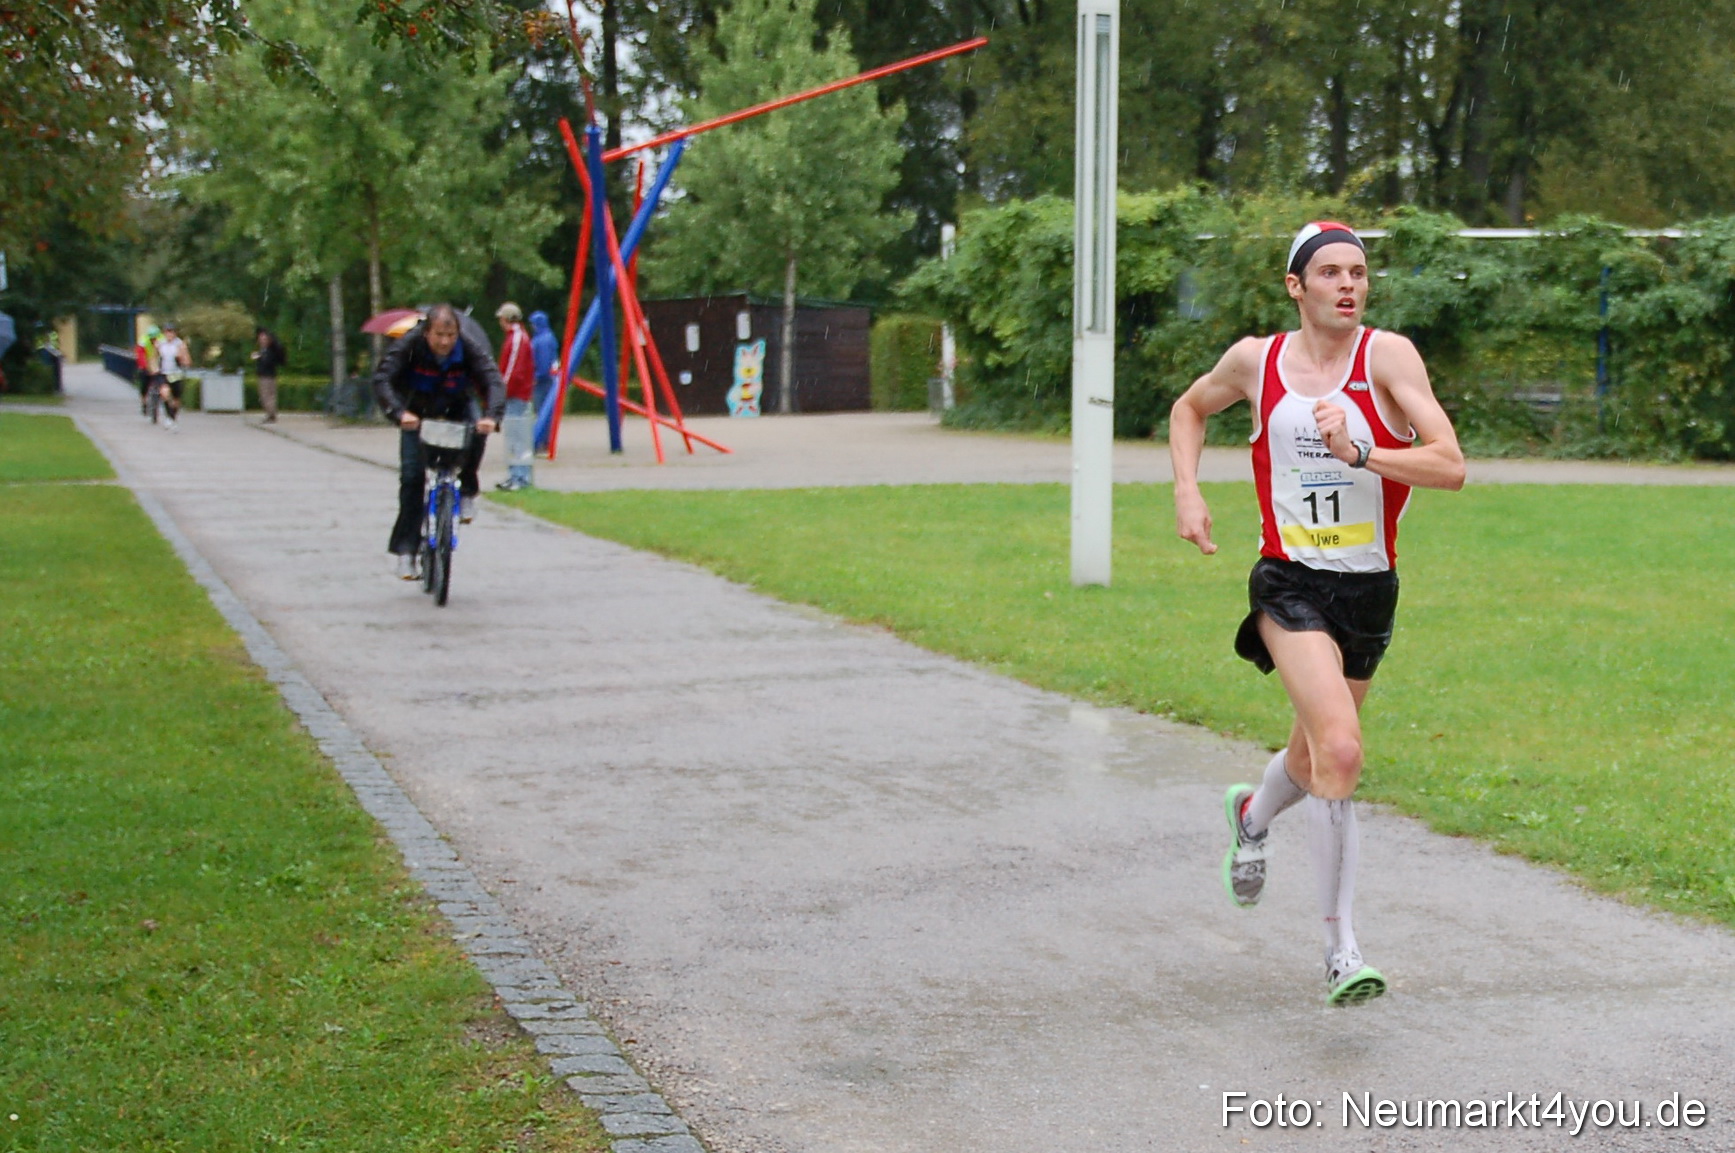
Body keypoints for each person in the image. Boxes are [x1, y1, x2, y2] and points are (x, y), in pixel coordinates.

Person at [1168, 221, 1466, 1005]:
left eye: (1358, 272)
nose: (1348, 284)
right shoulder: (1255, 360)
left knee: (1311, 761)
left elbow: (1450, 466)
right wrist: (1186, 488)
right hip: (1288, 583)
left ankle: (1251, 813)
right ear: (1295, 286)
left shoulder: (1387, 357)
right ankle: (1342, 949)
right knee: (1339, 749)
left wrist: (1361, 453)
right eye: (1329, 271)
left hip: (1366, 589)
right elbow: (1188, 409)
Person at [372, 304, 504, 580]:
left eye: (451, 335)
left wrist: (493, 416)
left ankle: (467, 489)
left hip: (457, 406)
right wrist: (398, 413)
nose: (445, 342)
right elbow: (383, 378)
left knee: (478, 429)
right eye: (439, 335)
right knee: (412, 478)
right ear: (426, 332)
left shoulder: (468, 347)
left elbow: (492, 379)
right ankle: (407, 552)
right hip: (416, 412)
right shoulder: (409, 345)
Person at [494, 303, 536, 492]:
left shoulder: (517, 338)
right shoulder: (516, 337)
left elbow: (513, 369)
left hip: (516, 394)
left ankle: (521, 477)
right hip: (516, 393)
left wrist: (501, 391)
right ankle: (515, 475)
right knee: (514, 437)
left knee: (518, 437)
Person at [528, 309, 559, 455]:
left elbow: (544, 362)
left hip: (543, 381)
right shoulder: (547, 337)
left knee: (542, 411)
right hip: (546, 379)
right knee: (544, 412)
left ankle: (541, 441)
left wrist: (537, 376)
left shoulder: (542, 340)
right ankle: (544, 441)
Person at [154, 323, 190, 428]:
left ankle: (172, 417)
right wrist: (154, 367)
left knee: (176, 399)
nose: (169, 334)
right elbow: (155, 357)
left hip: (176, 373)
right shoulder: (160, 344)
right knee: (164, 393)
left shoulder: (180, 344)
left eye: (171, 332)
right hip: (164, 372)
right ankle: (168, 417)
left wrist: (181, 357)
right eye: (167, 332)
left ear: (175, 333)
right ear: (164, 333)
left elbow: (187, 362)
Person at [252, 326, 287, 423]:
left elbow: (268, 362)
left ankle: (271, 415)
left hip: (267, 376)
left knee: (266, 396)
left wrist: (259, 357)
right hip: (267, 375)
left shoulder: (269, 351)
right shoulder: (264, 350)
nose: (261, 341)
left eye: (263, 339)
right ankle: (271, 414)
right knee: (269, 396)